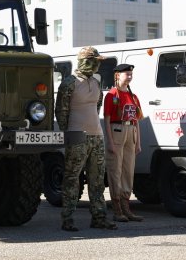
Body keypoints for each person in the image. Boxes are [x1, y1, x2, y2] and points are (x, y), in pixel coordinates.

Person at [55, 46, 117, 232]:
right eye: (95, 62)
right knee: (72, 178)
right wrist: (70, 133)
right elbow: (61, 112)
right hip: (77, 136)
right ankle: (68, 218)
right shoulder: (69, 83)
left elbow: (97, 107)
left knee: (97, 179)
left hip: (96, 136)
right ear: (85, 61)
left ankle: (99, 217)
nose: (97, 66)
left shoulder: (96, 83)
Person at [104, 63, 144, 222]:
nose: (129, 76)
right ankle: (117, 209)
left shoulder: (133, 96)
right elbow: (106, 120)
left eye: (131, 73)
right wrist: (110, 142)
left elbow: (137, 120)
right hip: (117, 131)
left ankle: (127, 208)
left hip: (131, 132)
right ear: (117, 75)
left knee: (128, 171)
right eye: (126, 73)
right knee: (115, 171)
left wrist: (138, 142)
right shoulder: (112, 95)